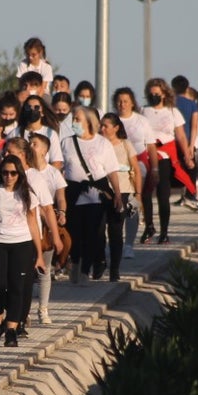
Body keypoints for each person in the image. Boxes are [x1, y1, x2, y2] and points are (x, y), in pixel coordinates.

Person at [0, 154, 46, 348]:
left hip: (22, 244)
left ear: (19, 174)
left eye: (13, 173)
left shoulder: (28, 195)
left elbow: (33, 224)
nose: (9, 176)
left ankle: (11, 330)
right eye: (5, 173)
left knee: (17, 288)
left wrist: (39, 254)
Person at [3, 137, 60, 335]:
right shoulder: (3, 174)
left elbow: (47, 208)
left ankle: (19, 319)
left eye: (10, 152)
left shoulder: (34, 177)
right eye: (5, 152)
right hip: (4, 236)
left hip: (27, 237)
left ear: (23, 155)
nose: (5, 156)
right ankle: (10, 316)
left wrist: (56, 236)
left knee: (24, 281)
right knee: (6, 281)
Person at [62, 106, 124, 282]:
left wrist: (117, 194)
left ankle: (85, 271)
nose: (74, 122)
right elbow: (59, 167)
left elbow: (112, 170)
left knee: (92, 233)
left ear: (89, 122)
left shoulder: (102, 143)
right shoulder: (66, 142)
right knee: (74, 232)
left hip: (96, 194)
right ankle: (75, 263)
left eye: (77, 119)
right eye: (73, 119)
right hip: (73, 193)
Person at [142, 78, 195, 243]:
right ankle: (149, 226)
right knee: (145, 193)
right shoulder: (143, 111)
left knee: (163, 194)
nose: (154, 97)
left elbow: (180, 135)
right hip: (147, 154)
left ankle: (164, 231)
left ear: (164, 94)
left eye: (157, 93)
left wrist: (187, 155)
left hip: (165, 156)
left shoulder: (172, 112)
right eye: (151, 94)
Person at [28, 133, 68, 323]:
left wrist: (61, 212)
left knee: (44, 268)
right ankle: (23, 310)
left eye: (35, 144)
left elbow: (60, 197)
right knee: (26, 271)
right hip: (29, 224)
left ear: (45, 150)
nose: (31, 146)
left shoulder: (53, 173)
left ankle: (43, 309)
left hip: (46, 227)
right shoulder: (24, 171)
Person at [113, 87, 153, 259]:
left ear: (132, 103)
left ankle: (129, 244)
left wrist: (155, 168)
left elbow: (150, 145)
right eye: (119, 101)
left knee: (132, 205)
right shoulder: (111, 120)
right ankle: (115, 242)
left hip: (137, 167)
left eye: (126, 101)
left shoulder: (141, 121)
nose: (122, 104)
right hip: (115, 169)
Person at [100, 113, 141, 281]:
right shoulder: (99, 144)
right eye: (101, 126)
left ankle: (114, 269)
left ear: (116, 128)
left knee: (116, 231)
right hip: (102, 191)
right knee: (98, 231)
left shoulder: (125, 145)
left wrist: (138, 194)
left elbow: (136, 170)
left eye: (106, 126)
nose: (102, 129)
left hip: (122, 191)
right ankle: (100, 263)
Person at [170, 75, 198, 211]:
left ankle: (183, 196)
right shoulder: (192, 104)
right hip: (188, 140)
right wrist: (191, 145)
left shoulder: (170, 103)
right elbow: (194, 125)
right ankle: (191, 194)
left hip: (172, 141)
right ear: (187, 88)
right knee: (191, 169)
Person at [16, 94, 64, 169]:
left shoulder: (50, 133)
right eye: (28, 107)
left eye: (36, 107)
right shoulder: (15, 133)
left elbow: (56, 162)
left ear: (42, 112)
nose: (32, 110)